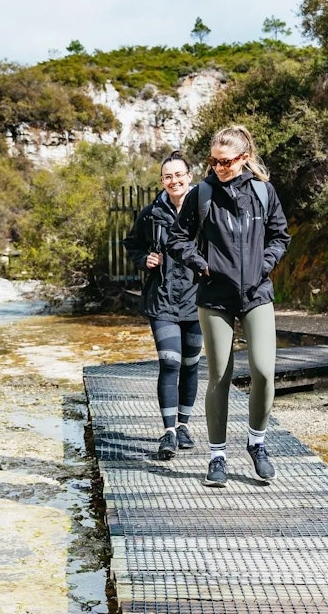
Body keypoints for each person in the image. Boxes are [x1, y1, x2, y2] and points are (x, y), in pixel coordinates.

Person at [166, 125, 290, 487]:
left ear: (244, 158)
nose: (219, 168)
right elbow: (178, 239)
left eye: (226, 162)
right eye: (214, 162)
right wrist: (202, 264)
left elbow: (281, 236)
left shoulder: (263, 192)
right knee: (219, 375)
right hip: (214, 296)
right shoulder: (201, 194)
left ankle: (257, 443)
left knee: (264, 371)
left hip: (256, 294)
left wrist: (264, 265)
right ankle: (217, 455)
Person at [122, 150, 202, 461]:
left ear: (189, 176)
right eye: (168, 176)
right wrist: (146, 260)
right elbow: (132, 244)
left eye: (179, 175)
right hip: (163, 299)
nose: (174, 180)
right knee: (170, 361)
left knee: (191, 365)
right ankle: (168, 431)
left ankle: (184, 425)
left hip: (198, 299)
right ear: (161, 181)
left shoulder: (204, 208)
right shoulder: (151, 213)